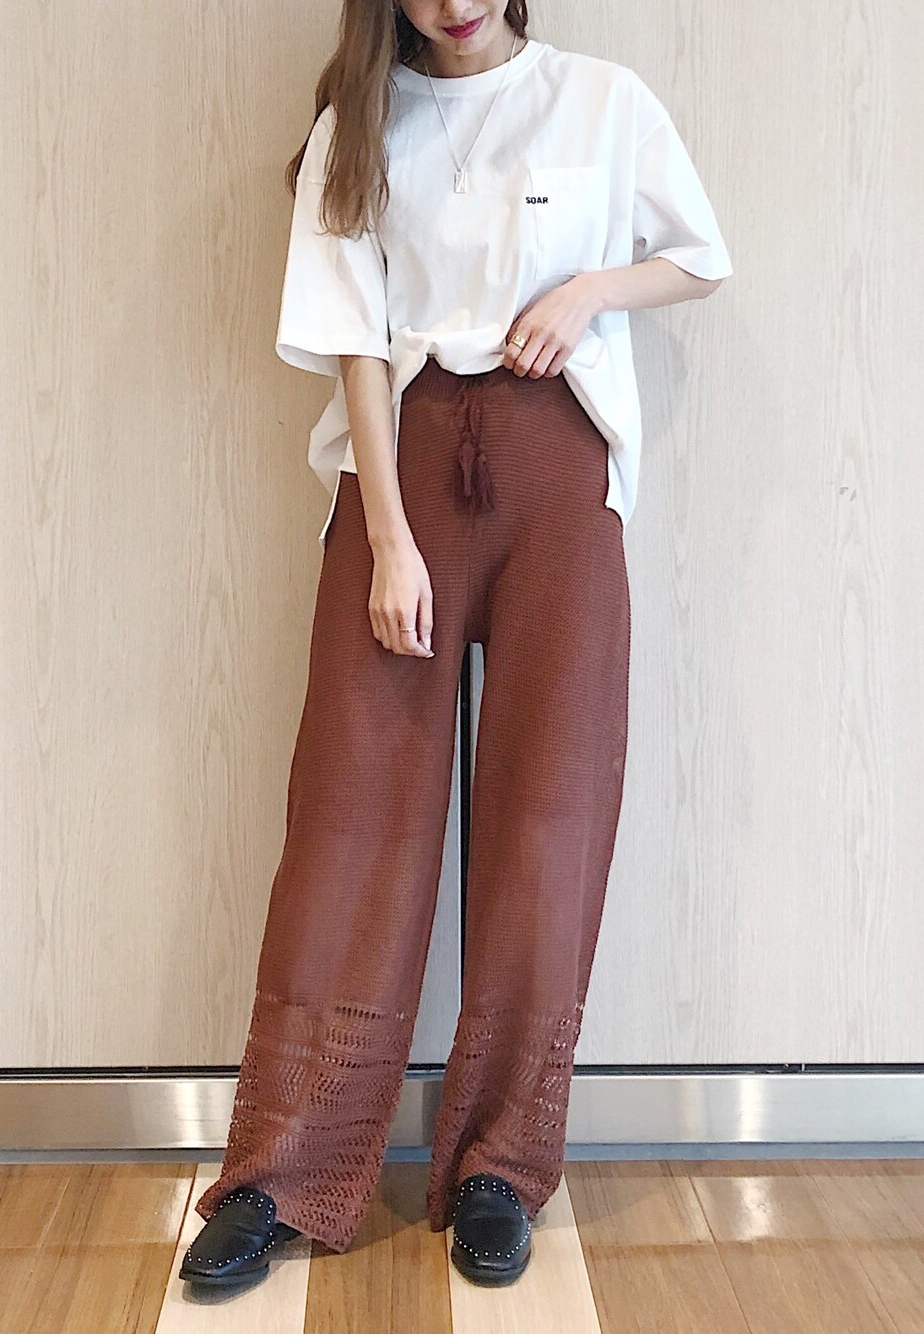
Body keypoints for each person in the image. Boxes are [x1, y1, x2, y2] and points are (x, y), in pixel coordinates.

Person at [180, 0, 733, 1292]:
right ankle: (278, 1170)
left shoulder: (601, 101)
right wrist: (388, 537)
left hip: (561, 477)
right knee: (350, 816)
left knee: (550, 813)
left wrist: (592, 289)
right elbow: (354, 344)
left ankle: (499, 1165)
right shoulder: (359, 125)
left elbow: (700, 253)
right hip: (406, 472)